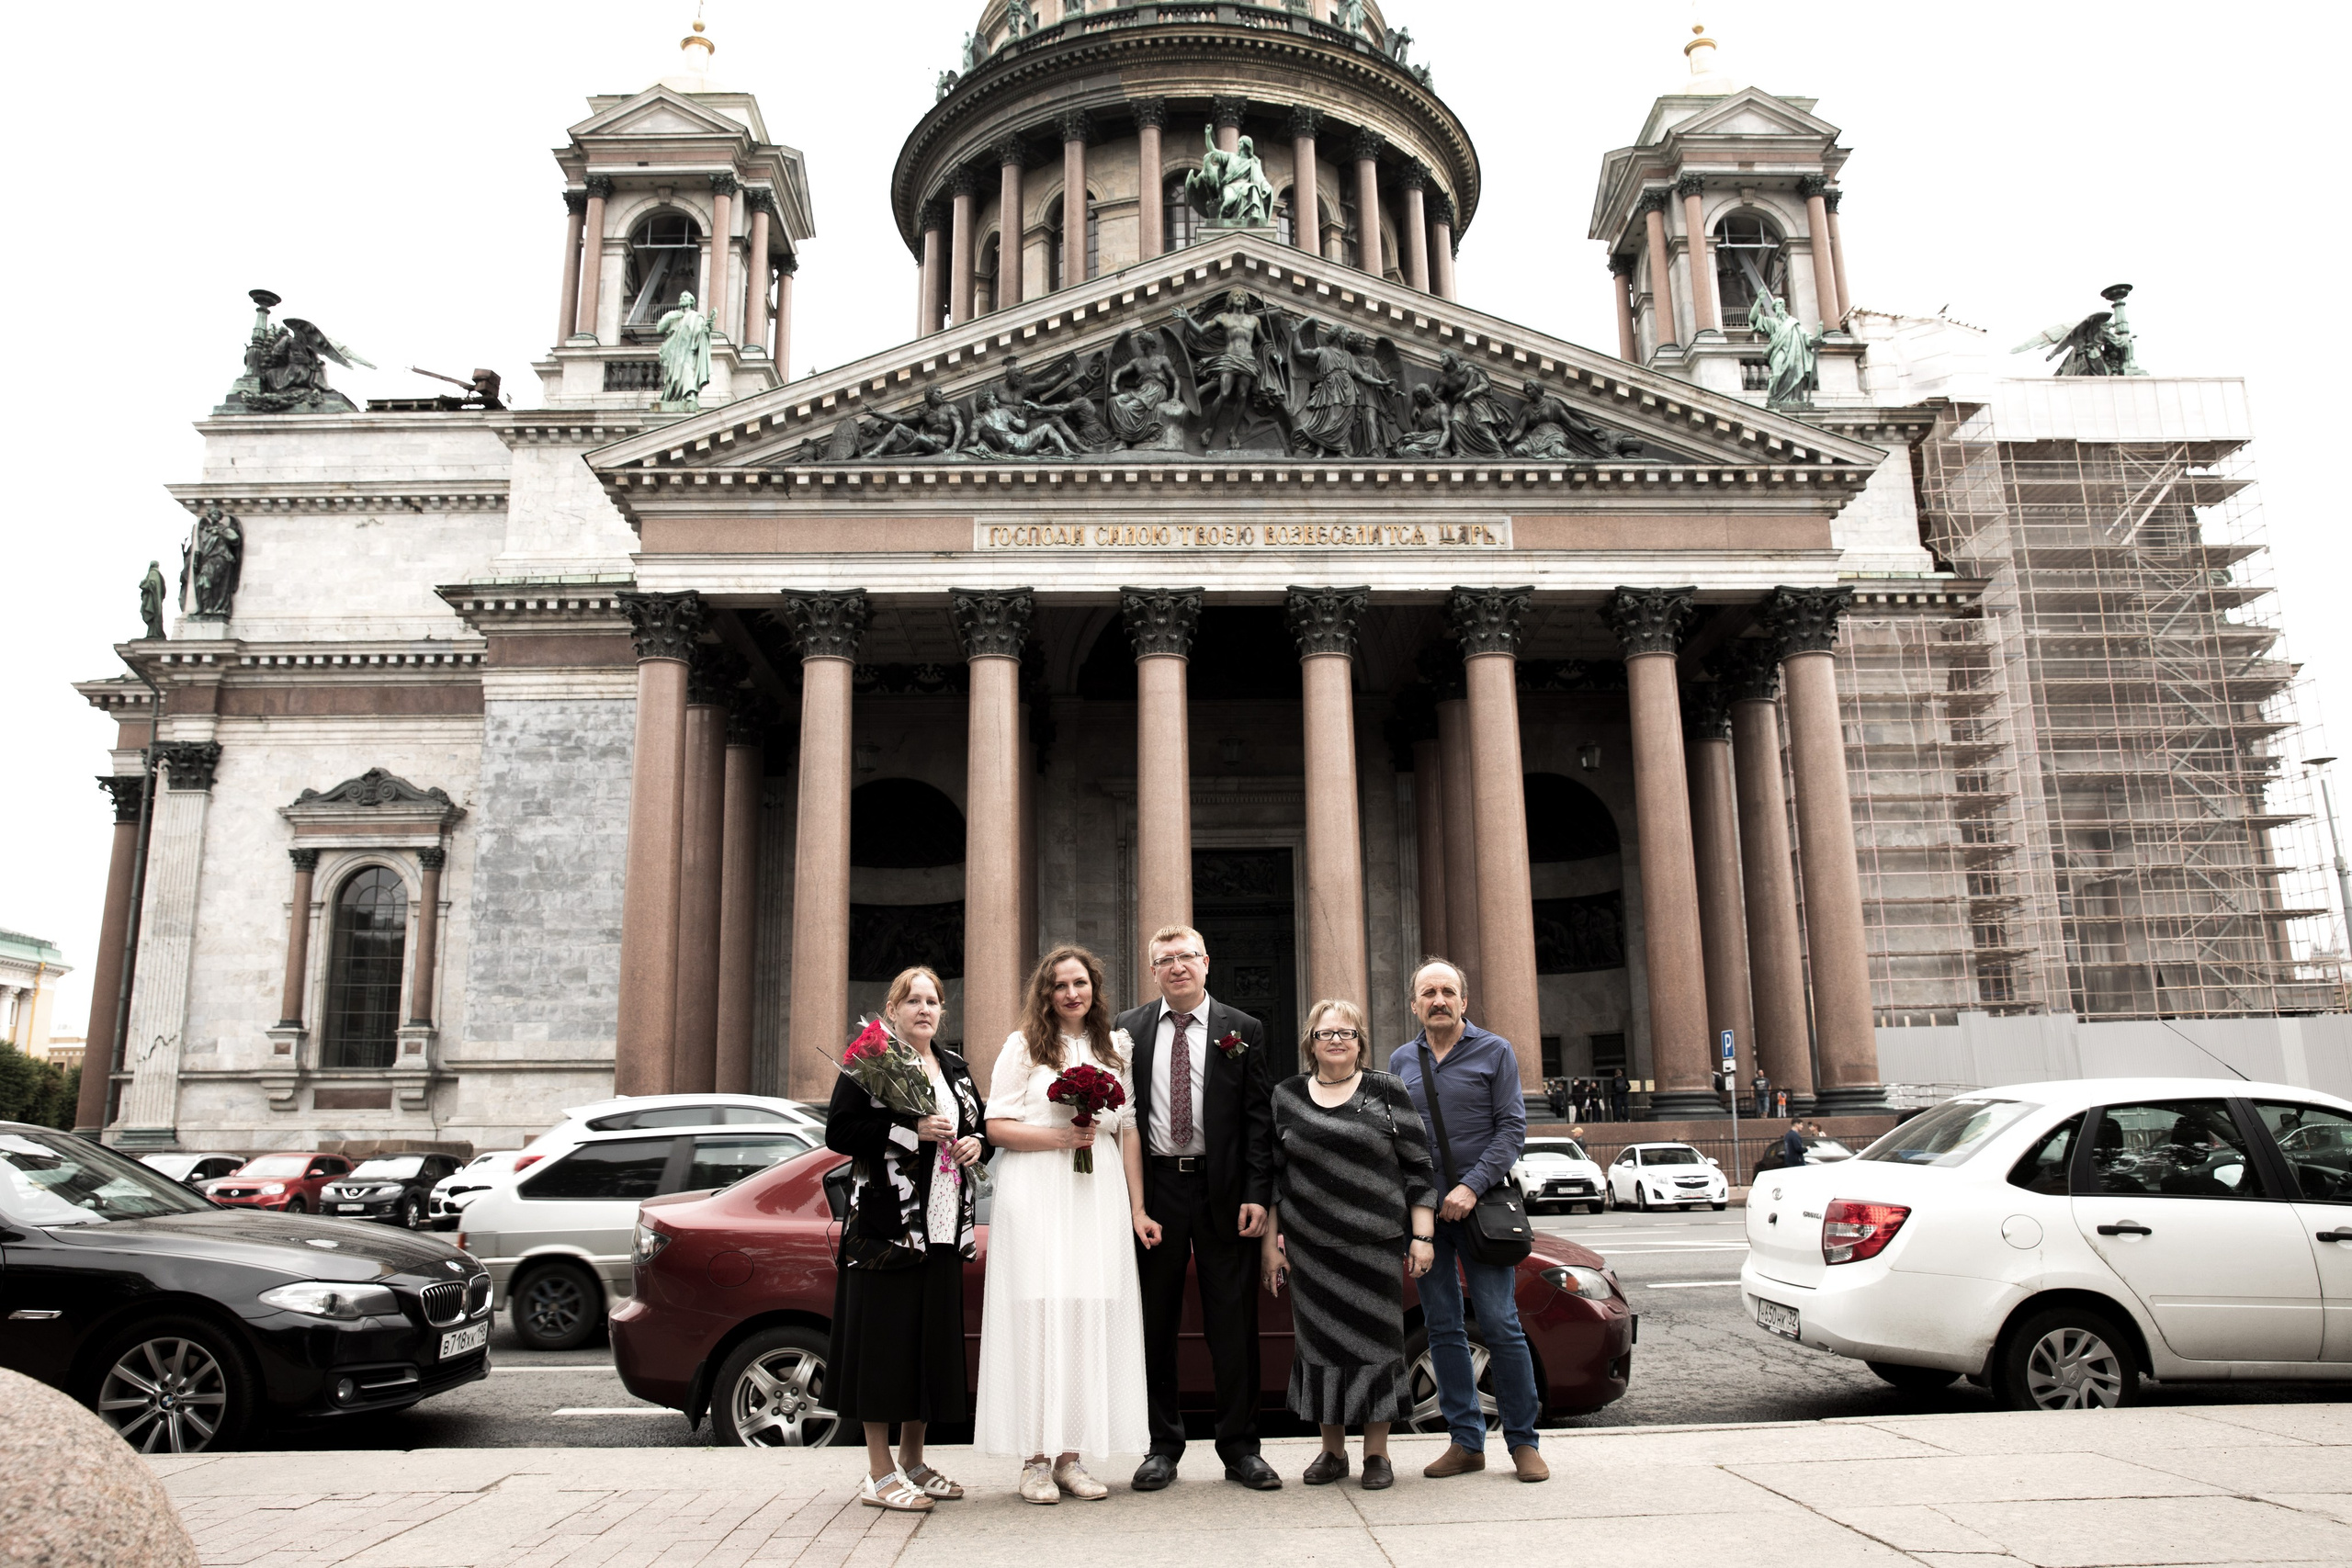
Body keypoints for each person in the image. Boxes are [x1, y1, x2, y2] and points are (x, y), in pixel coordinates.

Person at [974, 946, 1149, 1504]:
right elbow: (995, 1125)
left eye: (1080, 983)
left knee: (1083, 1315)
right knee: (1040, 1316)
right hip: (1038, 1194)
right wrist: (1059, 1137)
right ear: (1044, 994)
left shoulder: (1115, 1046)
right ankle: (1034, 1460)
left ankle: (1072, 1456)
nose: (1072, 993)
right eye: (1059, 985)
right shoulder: (1023, 1045)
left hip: (1095, 1194)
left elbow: (1126, 1132)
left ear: (1094, 988)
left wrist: (1136, 1209)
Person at [1115, 924, 1280, 1493]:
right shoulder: (1125, 1031)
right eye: (1166, 959)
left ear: (1206, 962)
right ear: (1153, 970)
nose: (1177, 966)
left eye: (1187, 956)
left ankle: (1240, 1447)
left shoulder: (1244, 1030)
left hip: (1226, 1193)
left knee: (1232, 1326)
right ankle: (1161, 1446)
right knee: (1153, 1325)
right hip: (1156, 1191)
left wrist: (1258, 1193)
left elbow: (1260, 1122)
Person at [825, 967, 989, 1513]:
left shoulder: (956, 1067)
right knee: (884, 1350)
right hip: (886, 1231)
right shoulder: (871, 1061)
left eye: (933, 1000)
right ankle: (878, 1473)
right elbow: (840, 1132)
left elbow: (979, 1125)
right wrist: (907, 1131)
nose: (924, 1008)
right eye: (913, 1000)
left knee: (927, 1347)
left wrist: (974, 1144)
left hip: (944, 1227)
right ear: (892, 1008)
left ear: (943, 1011)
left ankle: (914, 1462)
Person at [1261, 999, 1435, 1491]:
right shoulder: (1287, 1096)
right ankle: (1331, 1452)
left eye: (1347, 1032)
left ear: (1360, 1040)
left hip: (1374, 1245)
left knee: (1379, 1346)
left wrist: (1422, 1236)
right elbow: (1273, 1176)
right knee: (1319, 1350)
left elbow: (1418, 1167)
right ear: (1309, 1043)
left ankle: (1376, 1454)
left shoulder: (1386, 1090)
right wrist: (1270, 1248)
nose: (1336, 1040)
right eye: (1325, 1033)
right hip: (1310, 1249)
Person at [1390, 958, 1547, 1483]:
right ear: (1414, 1004)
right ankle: (1466, 1442)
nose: (1438, 1000)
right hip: (1425, 1215)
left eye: (1448, 991)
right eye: (1428, 992)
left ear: (1463, 1000)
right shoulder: (1401, 1060)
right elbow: (1399, 1139)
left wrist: (1469, 1186)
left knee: (1501, 1324)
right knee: (1442, 1327)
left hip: (1481, 1209)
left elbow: (1512, 1130)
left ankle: (1524, 1443)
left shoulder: (1495, 1051)